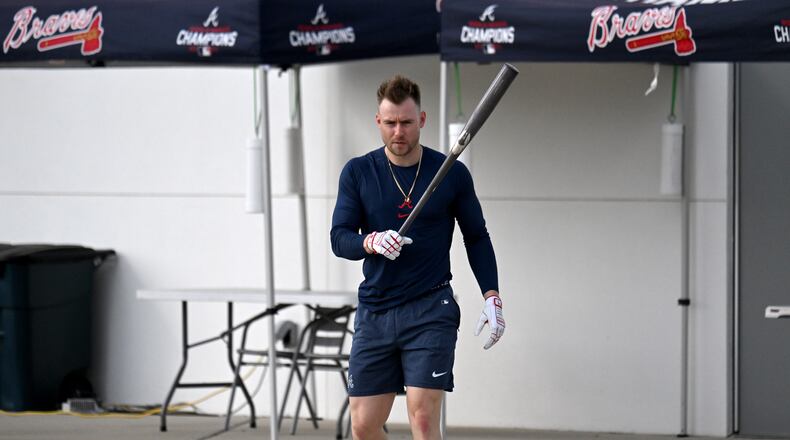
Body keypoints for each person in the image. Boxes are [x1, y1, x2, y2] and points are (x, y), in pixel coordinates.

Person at [330, 75, 505, 440]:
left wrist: (492, 294)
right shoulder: (359, 172)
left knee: (423, 419)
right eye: (390, 122)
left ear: (422, 120)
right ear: (378, 121)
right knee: (362, 425)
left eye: (407, 123)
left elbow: (476, 236)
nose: (399, 132)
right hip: (376, 310)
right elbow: (339, 238)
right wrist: (371, 242)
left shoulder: (451, 173)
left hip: (430, 308)